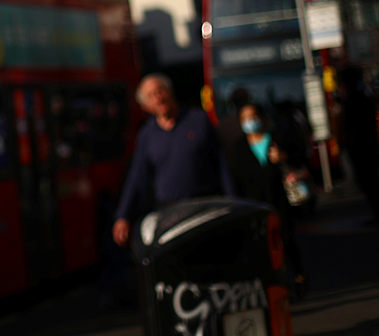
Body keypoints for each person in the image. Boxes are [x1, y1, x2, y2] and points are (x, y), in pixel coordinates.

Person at [113, 74, 236, 248]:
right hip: (169, 214)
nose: (158, 97)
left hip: (206, 208)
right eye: (151, 96)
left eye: (160, 91)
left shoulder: (198, 120)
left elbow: (222, 166)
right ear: (145, 106)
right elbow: (137, 178)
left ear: (170, 92)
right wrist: (123, 216)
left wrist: (232, 203)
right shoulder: (147, 135)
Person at [226, 103, 307, 298]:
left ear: (262, 117)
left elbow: (300, 157)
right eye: (245, 118)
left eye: (253, 116)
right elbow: (235, 179)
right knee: (260, 248)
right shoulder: (238, 148)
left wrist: (284, 157)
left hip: (280, 201)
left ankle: (297, 277)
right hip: (254, 206)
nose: (250, 122)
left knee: (286, 241)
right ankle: (270, 284)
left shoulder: (277, 139)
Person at [339, 67, 379, 222]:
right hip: (368, 145)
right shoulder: (364, 99)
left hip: (361, 147)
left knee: (368, 182)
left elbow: (351, 128)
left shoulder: (352, 101)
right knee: (371, 180)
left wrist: (350, 144)